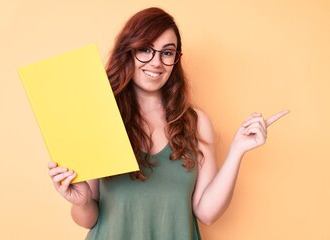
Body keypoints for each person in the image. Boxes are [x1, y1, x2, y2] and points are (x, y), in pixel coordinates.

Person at [48, 7, 289, 240]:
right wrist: (82, 202)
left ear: (176, 59)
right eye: (145, 49)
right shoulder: (100, 115)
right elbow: (88, 219)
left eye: (167, 52)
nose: (156, 62)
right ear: (128, 51)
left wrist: (237, 150)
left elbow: (207, 213)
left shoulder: (195, 122)